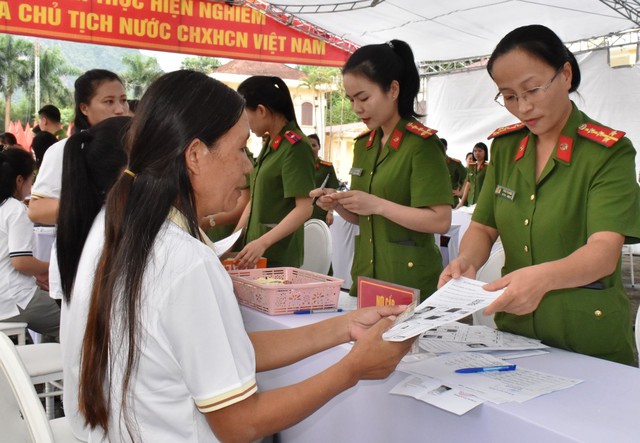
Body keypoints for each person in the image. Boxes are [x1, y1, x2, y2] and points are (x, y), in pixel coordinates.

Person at [63, 70, 412, 442]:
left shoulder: (119, 222)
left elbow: (223, 351)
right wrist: (353, 368)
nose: (247, 166)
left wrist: (344, 327)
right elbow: (240, 424)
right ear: (195, 155)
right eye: (240, 149)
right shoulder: (184, 261)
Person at [439, 24, 640, 365]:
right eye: (510, 96)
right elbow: (485, 226)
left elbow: (603, 251)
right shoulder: (505, 147)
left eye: (532, 90)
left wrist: (542, 278)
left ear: (564, 74)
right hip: (515, 336)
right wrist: (467, 262)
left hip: (588, 341)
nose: (523, 107)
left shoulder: (607, 152)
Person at [312, 40, 452, 300]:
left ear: (393, 89)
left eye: (364, 97)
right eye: (351, 99)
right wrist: (340, 203)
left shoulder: (421, 145)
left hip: (407, 279)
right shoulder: (364, 146)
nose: (357, 108)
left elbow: (440, 221)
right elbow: (363, 217)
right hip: (368, 275)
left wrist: (377, 204)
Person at [28, 69, 128, 226]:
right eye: (109, 101)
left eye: (123, 100)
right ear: (84, 108)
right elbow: (36, 210)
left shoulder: (136, 148)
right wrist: (93, 205)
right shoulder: (63, 150)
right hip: (81, 247)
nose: (120, 109)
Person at [235, 75, 316, 268]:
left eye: (245, 116)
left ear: (261, 110)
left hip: (278, 257)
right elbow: (256, 199)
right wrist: (234, 238)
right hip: (256, 253)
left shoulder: (295, 147)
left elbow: (304, 208)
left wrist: (263, 242)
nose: (245, 123)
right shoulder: (271, 143)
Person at [0, 148, 60, 341]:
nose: (32, 186)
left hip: (6, 297)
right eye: (31, 179)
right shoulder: (15, 210)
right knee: (76, 323)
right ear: (19, 180)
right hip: (14, 300)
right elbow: (21, 262)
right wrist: (51, 269)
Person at [308, 133, 340, 225]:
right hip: (300, 211)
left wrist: (330, 212)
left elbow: (332, 191)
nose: (311, 148)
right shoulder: (297, 167)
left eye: (314, 145)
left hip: (320, 211)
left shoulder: (327, 167)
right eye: (308, 145)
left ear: (319, 147)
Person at [456, 142, 489, 208]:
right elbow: (468, 184)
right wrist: (462, 202)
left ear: (485, 152)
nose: (477, 153)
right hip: (470, 201)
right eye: (475, 151)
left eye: (480, 151)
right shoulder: (471, 167)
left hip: (482, 201)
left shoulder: (488, 167)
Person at [441, 138, 467, 207]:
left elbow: (468, 177)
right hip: (434, 200)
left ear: (446, 148)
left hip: (450, 200)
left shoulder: (454, 163)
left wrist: (461, 192)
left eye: (441, 147)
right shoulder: (431, 163)